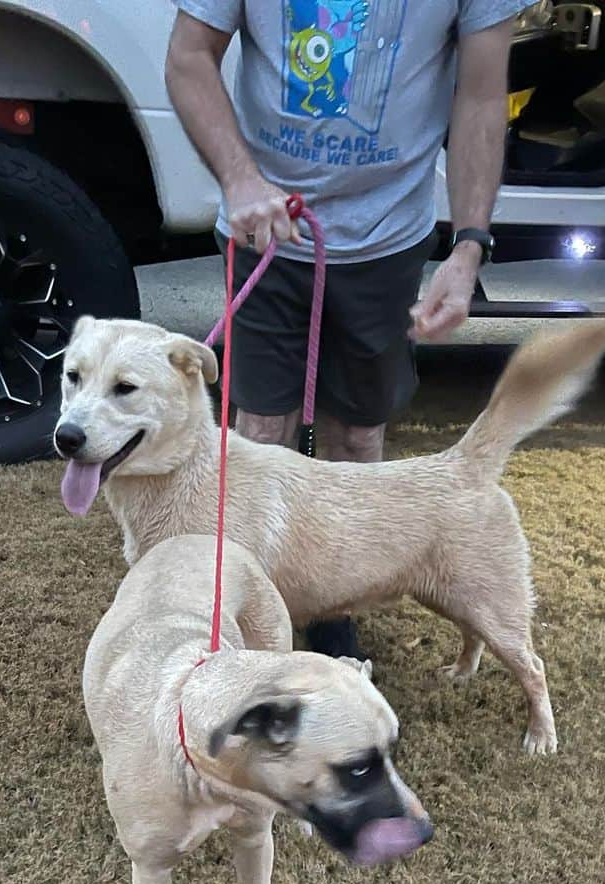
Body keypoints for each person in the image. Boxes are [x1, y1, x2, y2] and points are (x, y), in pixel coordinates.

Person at [166, 0, 527, 659]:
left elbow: (481, 95)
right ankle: (255, 617)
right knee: (261, 431)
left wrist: (469, 245)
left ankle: (332, 606)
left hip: (386, 238)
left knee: (358, 437)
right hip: (262, 228)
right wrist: (241, 180)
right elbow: (190, 57)